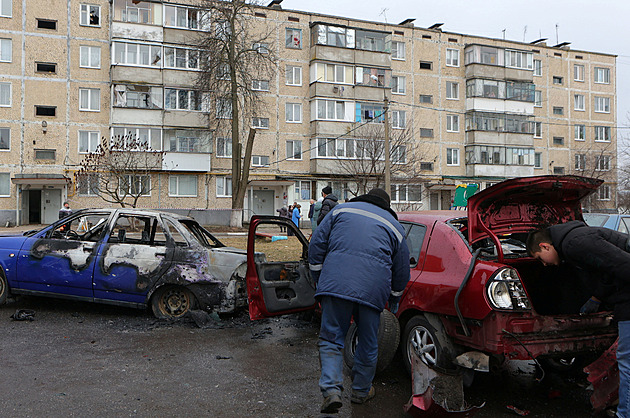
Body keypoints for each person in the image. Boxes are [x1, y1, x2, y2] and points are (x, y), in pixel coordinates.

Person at [308, 188, 410, 414]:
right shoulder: (395, 226)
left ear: (364, 197)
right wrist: (394, 299)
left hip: (335, 285)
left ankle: (332, 391)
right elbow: (402, 271)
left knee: (331, 338)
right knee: (368, 341)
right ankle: (361, 392)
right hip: (373, 292)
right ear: (386, 205)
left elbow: (316, 245)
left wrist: (318, 277)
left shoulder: (340, 210)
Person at [527, 220, 630, 417]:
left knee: (628, 362)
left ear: (544, 246)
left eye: (540, 258)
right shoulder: (575, 239)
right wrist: (596, 297)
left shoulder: (575, 244)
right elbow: (608, 270)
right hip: (624, 298)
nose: (544, 264)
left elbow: (623, 265)